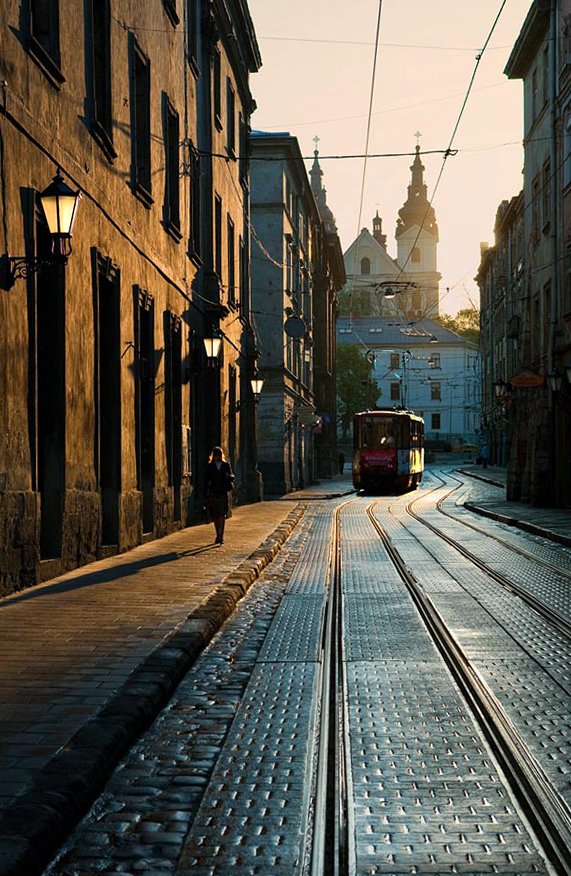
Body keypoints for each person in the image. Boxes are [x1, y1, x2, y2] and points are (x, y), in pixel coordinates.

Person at [205, 446, 234, 544]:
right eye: (216, 455)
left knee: (222, 514)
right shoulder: (210, 466)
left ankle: (221, 535)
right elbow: (206, 480)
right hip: (213, 492)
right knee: (215, 515)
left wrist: (228, 476)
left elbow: (231, 476)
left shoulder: (226, 465)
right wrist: (206, 493)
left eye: (219, 455)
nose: (217, 457)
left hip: (222, 492)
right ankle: (217, 534)